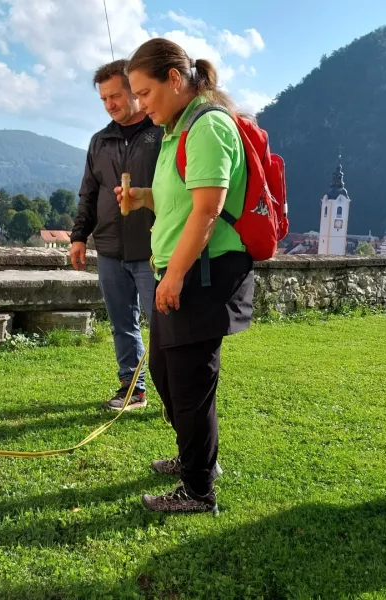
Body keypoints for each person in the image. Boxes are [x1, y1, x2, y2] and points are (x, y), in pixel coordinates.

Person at [116, 38, 256, 514]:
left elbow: (208, 209)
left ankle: (199, 492)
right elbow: (179, 201)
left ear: (174, 79)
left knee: (191, 387)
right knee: (166, 375)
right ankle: (197, 460)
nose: (141, 105)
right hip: (179, 275)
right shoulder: (178, 128)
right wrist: (143, 200)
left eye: (145, 93)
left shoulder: (208, 126)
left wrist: (173, 277)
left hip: (203, 278)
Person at [71, 59, 162, 411]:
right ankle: (132, 389)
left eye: (116, 95)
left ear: (136, 91)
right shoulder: (100, 141)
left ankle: (174, 392)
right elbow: (88, 194)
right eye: (104, 99)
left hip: (154, 248)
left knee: (164, 328)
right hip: (109, 249)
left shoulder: (160, 133)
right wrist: (79, 237)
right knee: (122, 325)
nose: (111, 104)